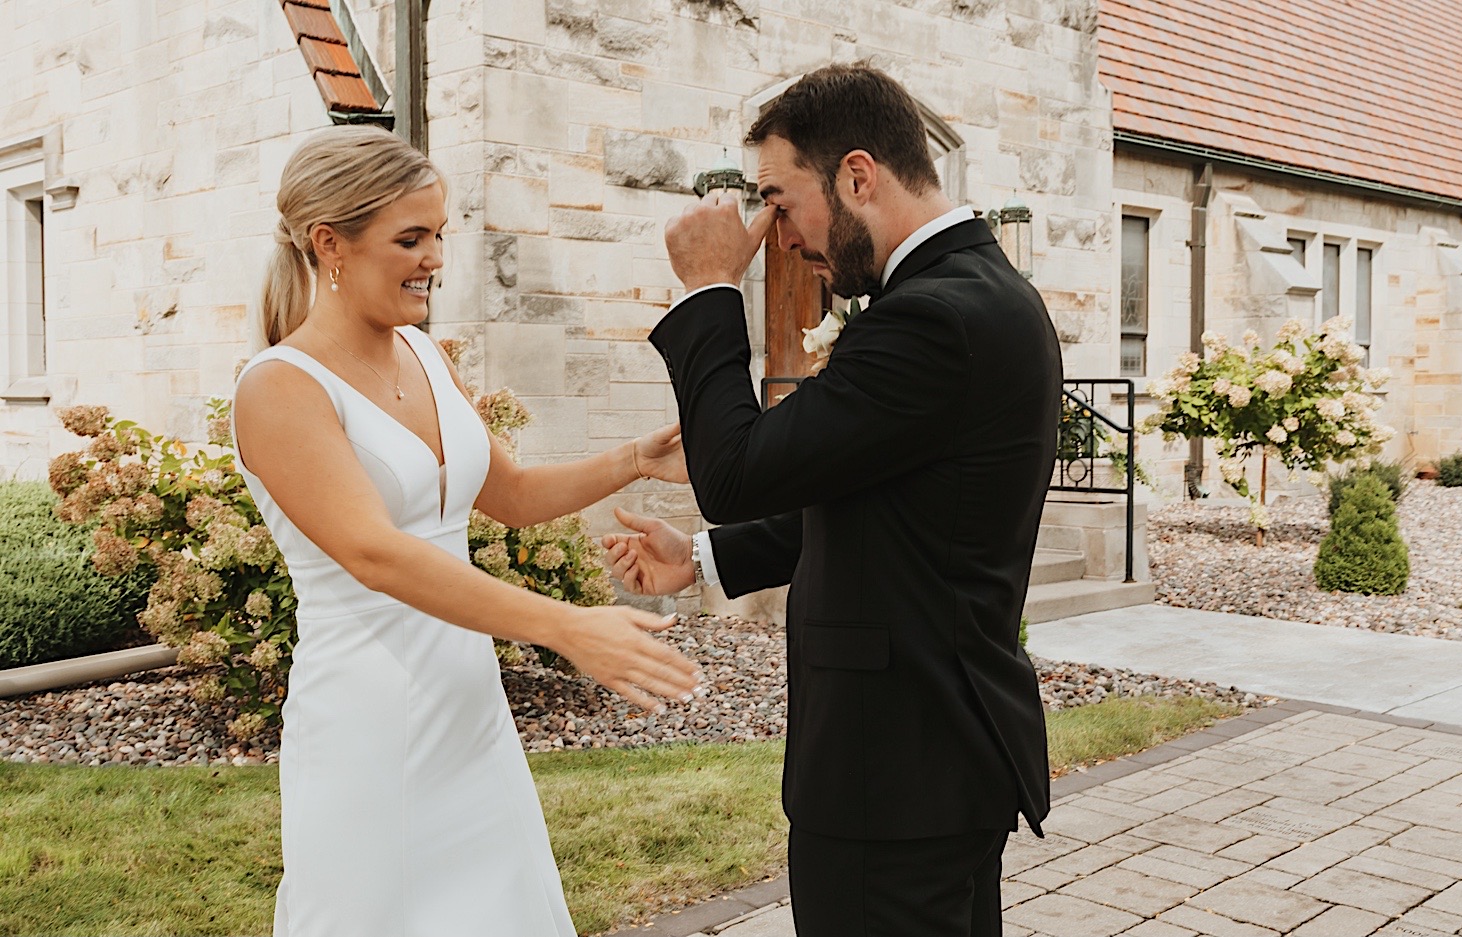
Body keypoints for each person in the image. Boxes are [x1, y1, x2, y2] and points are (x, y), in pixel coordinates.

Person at [602, 64, 1061, 936]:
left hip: (889, 775)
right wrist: (701, 556)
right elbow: (878, 503)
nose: (776, 234)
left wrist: (707, 290)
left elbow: (737, 469)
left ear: (858, 175)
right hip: (934, 761)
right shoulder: (974, 294)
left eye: (779, 200)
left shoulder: (933, 317)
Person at [233, 125, 702, 937]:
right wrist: (565, 627)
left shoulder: (423, 354)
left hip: (468, 706)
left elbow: (510, 493)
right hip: (368, 717)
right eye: (410, 238)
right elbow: (374, 552)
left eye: (439, 235)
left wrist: (634, 456)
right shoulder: (279, 387)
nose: (436, 259)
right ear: (329, 243)